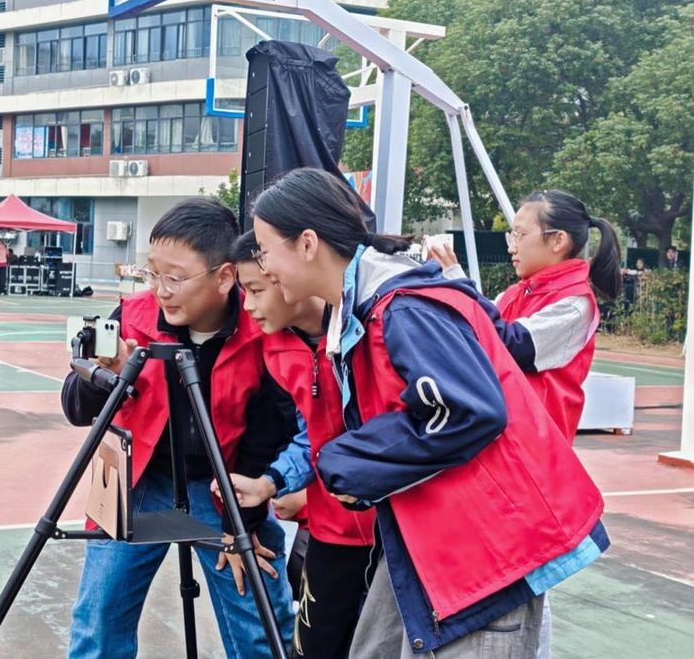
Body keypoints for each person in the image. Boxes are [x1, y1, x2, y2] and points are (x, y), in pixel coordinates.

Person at [251, 168, 609, 659]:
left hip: (483, 549)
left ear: (307, 243)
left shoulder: (403, 307)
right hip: (436, 537)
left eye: (266, 250)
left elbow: (469, 411)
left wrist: (349, 461)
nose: (264, 267)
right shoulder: (370, 308)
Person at [60, 198, 296, 658]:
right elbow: (73, 404)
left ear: (225, 277)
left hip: (227, 488)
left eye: (175, 277)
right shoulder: (133, 317)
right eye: (152, 273)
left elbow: (272, 429)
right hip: (139, 482)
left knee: (258, 622)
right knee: (98, 621)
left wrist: (239, 524)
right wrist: (109, 379)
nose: (161, 291)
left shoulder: (261, 324)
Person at [218, 230, 377, 658]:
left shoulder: (368, 323)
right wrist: (271, 483)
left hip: (394, 531)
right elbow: (313, 434)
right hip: (331, 531)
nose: (247, 307)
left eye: (255, 289)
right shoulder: (274, 348)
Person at [430, 188, 622, 444]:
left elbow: (510, 344)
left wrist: (456, 280)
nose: (512, 247)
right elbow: (474, 328)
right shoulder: (516, 292)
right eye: (512, 235)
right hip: (503, 433)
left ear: (558, 241)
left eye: (520, 235)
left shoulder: (576, 305)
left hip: (534, 443)